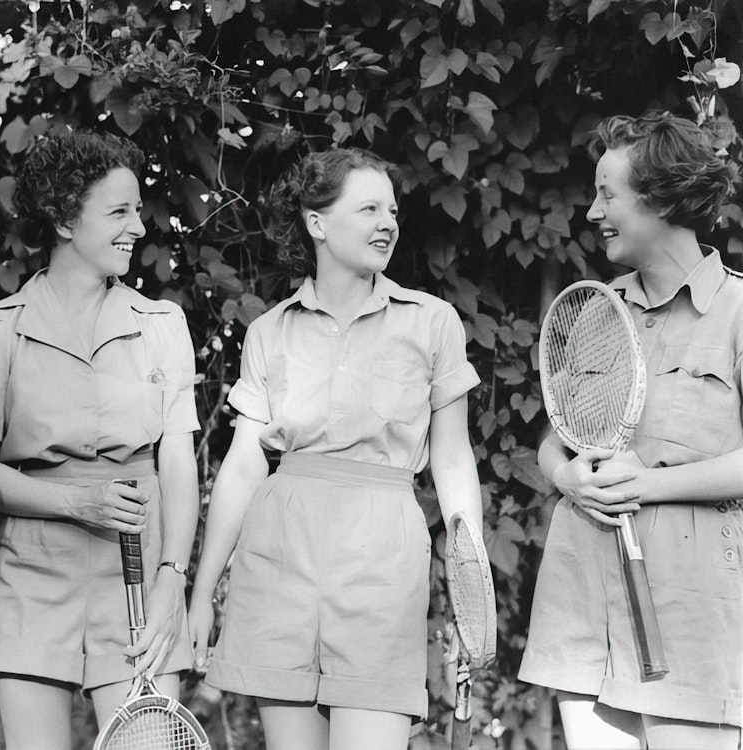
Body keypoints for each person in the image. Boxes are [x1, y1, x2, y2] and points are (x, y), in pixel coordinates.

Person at [187, 148, 485, 750]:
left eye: (393, 211)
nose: (388, 223)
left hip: (383, 563)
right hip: (281, 558)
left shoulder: (433, 322)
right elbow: (244, 465)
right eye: (369, 208)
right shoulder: (270, 330)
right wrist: (201, 596)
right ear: (316, 222)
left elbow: (453, 460)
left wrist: (472, 582)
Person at [0, 129, 201, 750]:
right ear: (65, 219)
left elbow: (178, 463)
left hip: (139, 575)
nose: (138, 228)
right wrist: (75, 504)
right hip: (30, 579)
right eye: (118, 212)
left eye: (136, 211)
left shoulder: (162, 326)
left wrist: (173, 577)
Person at [518, 112, 742, 750]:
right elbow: (556, 441)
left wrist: (648, 486)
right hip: (584, 605)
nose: (592, 212)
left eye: (607, 193)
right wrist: (567, 477)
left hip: (692, 617)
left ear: (664, 196)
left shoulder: (737, 312)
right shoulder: (595, 311)